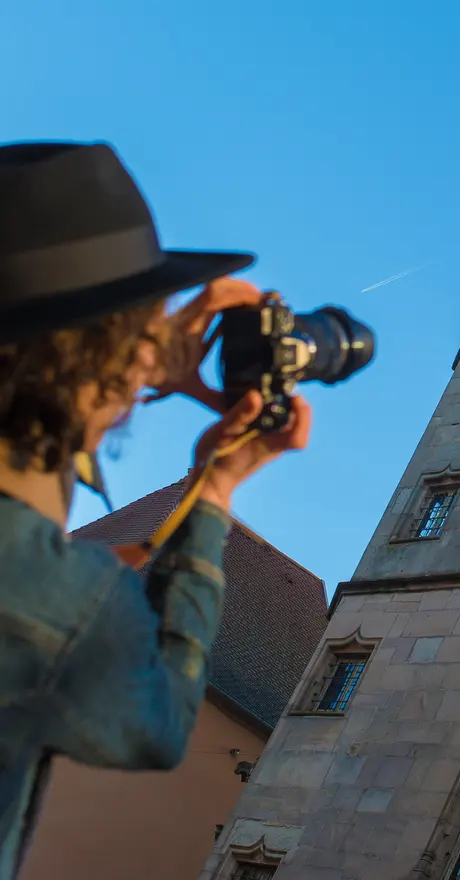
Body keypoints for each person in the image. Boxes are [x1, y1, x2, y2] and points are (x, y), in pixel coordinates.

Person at [0, 142, 311, 879]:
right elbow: (160, 721)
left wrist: (123, 367)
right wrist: (215, 491)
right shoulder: (59, 596)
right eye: (142, 329)